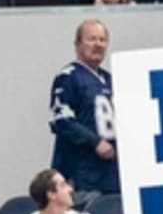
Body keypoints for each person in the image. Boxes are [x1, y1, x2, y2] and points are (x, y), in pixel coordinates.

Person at [49, 20, 119, 198]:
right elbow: (61, 120)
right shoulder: (68, 77)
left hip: (111, 174)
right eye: (92, 39)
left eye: (102, 40)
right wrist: (95, 142)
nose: (98, 45)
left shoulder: (111, 79)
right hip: (81, 175)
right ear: (77, 44)